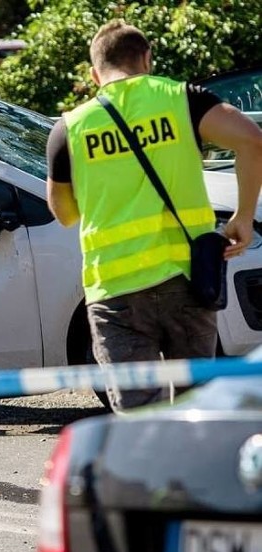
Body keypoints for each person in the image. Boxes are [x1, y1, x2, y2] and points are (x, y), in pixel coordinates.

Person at [45, 20, 262, 411]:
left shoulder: (70, 128)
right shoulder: (181, 98)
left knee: (139, 418)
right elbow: (251, 141)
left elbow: (62, 213)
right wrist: (243, 217)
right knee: (197, 408)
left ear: (95, 74)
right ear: (146, 59)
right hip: (187, 280)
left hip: (115, 291)